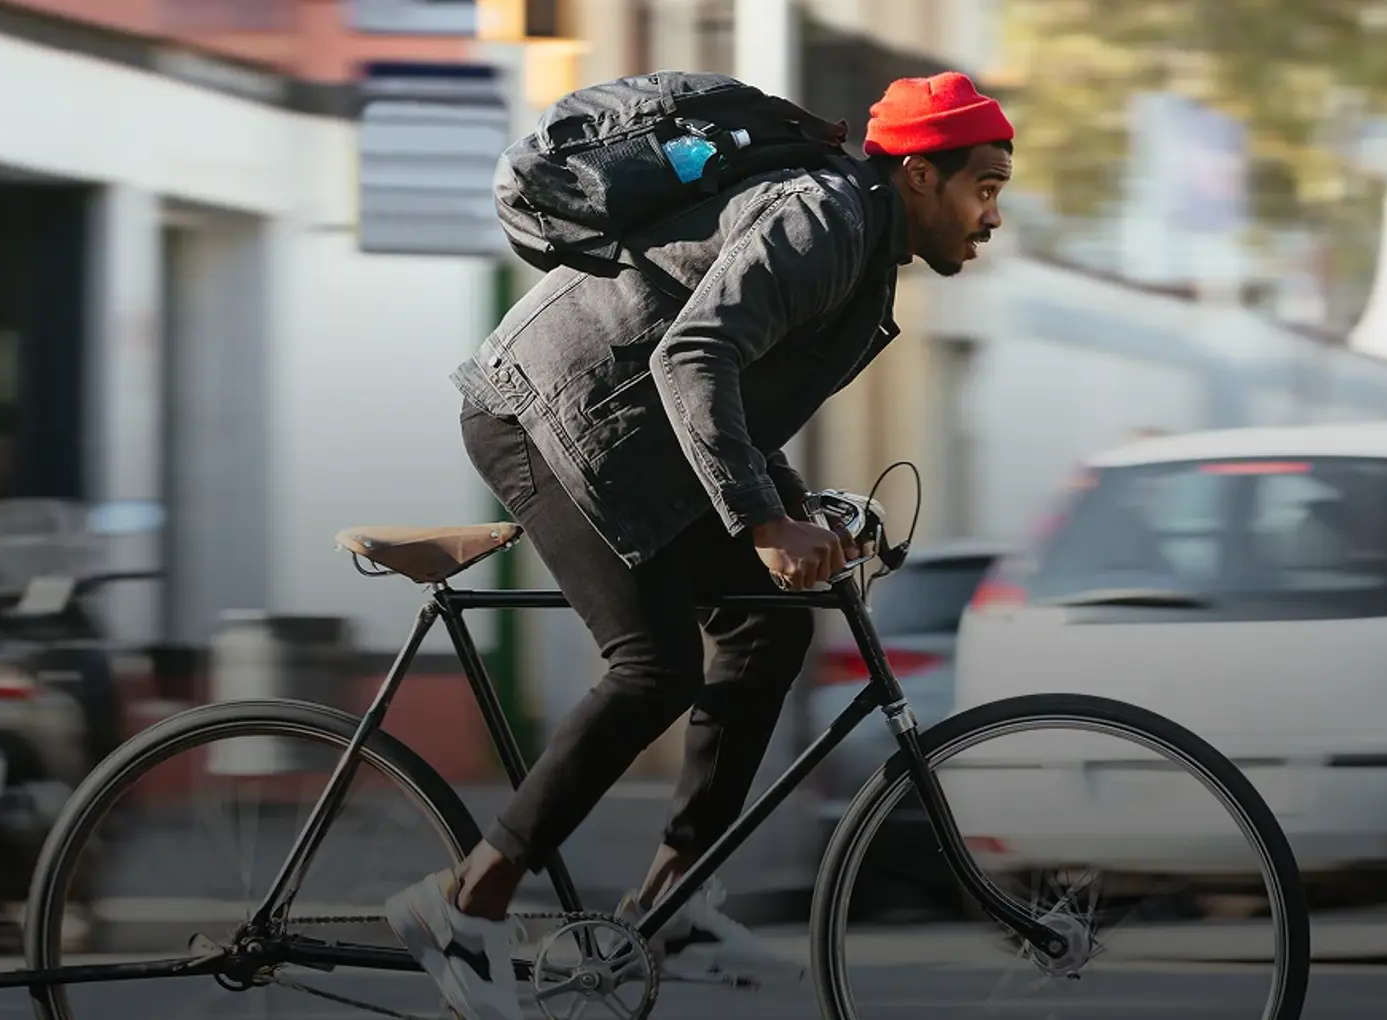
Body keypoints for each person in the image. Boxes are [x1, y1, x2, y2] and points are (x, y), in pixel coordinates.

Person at [385, 71, 1015, 1020]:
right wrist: (763, 522)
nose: (995, 216)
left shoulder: (860, 247)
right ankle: (462, 902)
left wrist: (794, 507)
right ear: (922, 177)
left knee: (769, 630)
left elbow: (743, 402)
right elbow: (695, 356)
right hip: (548, 415)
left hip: (636, 437)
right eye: (987, 186)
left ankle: (670, 899)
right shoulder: (827, 224)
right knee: (653, 667)